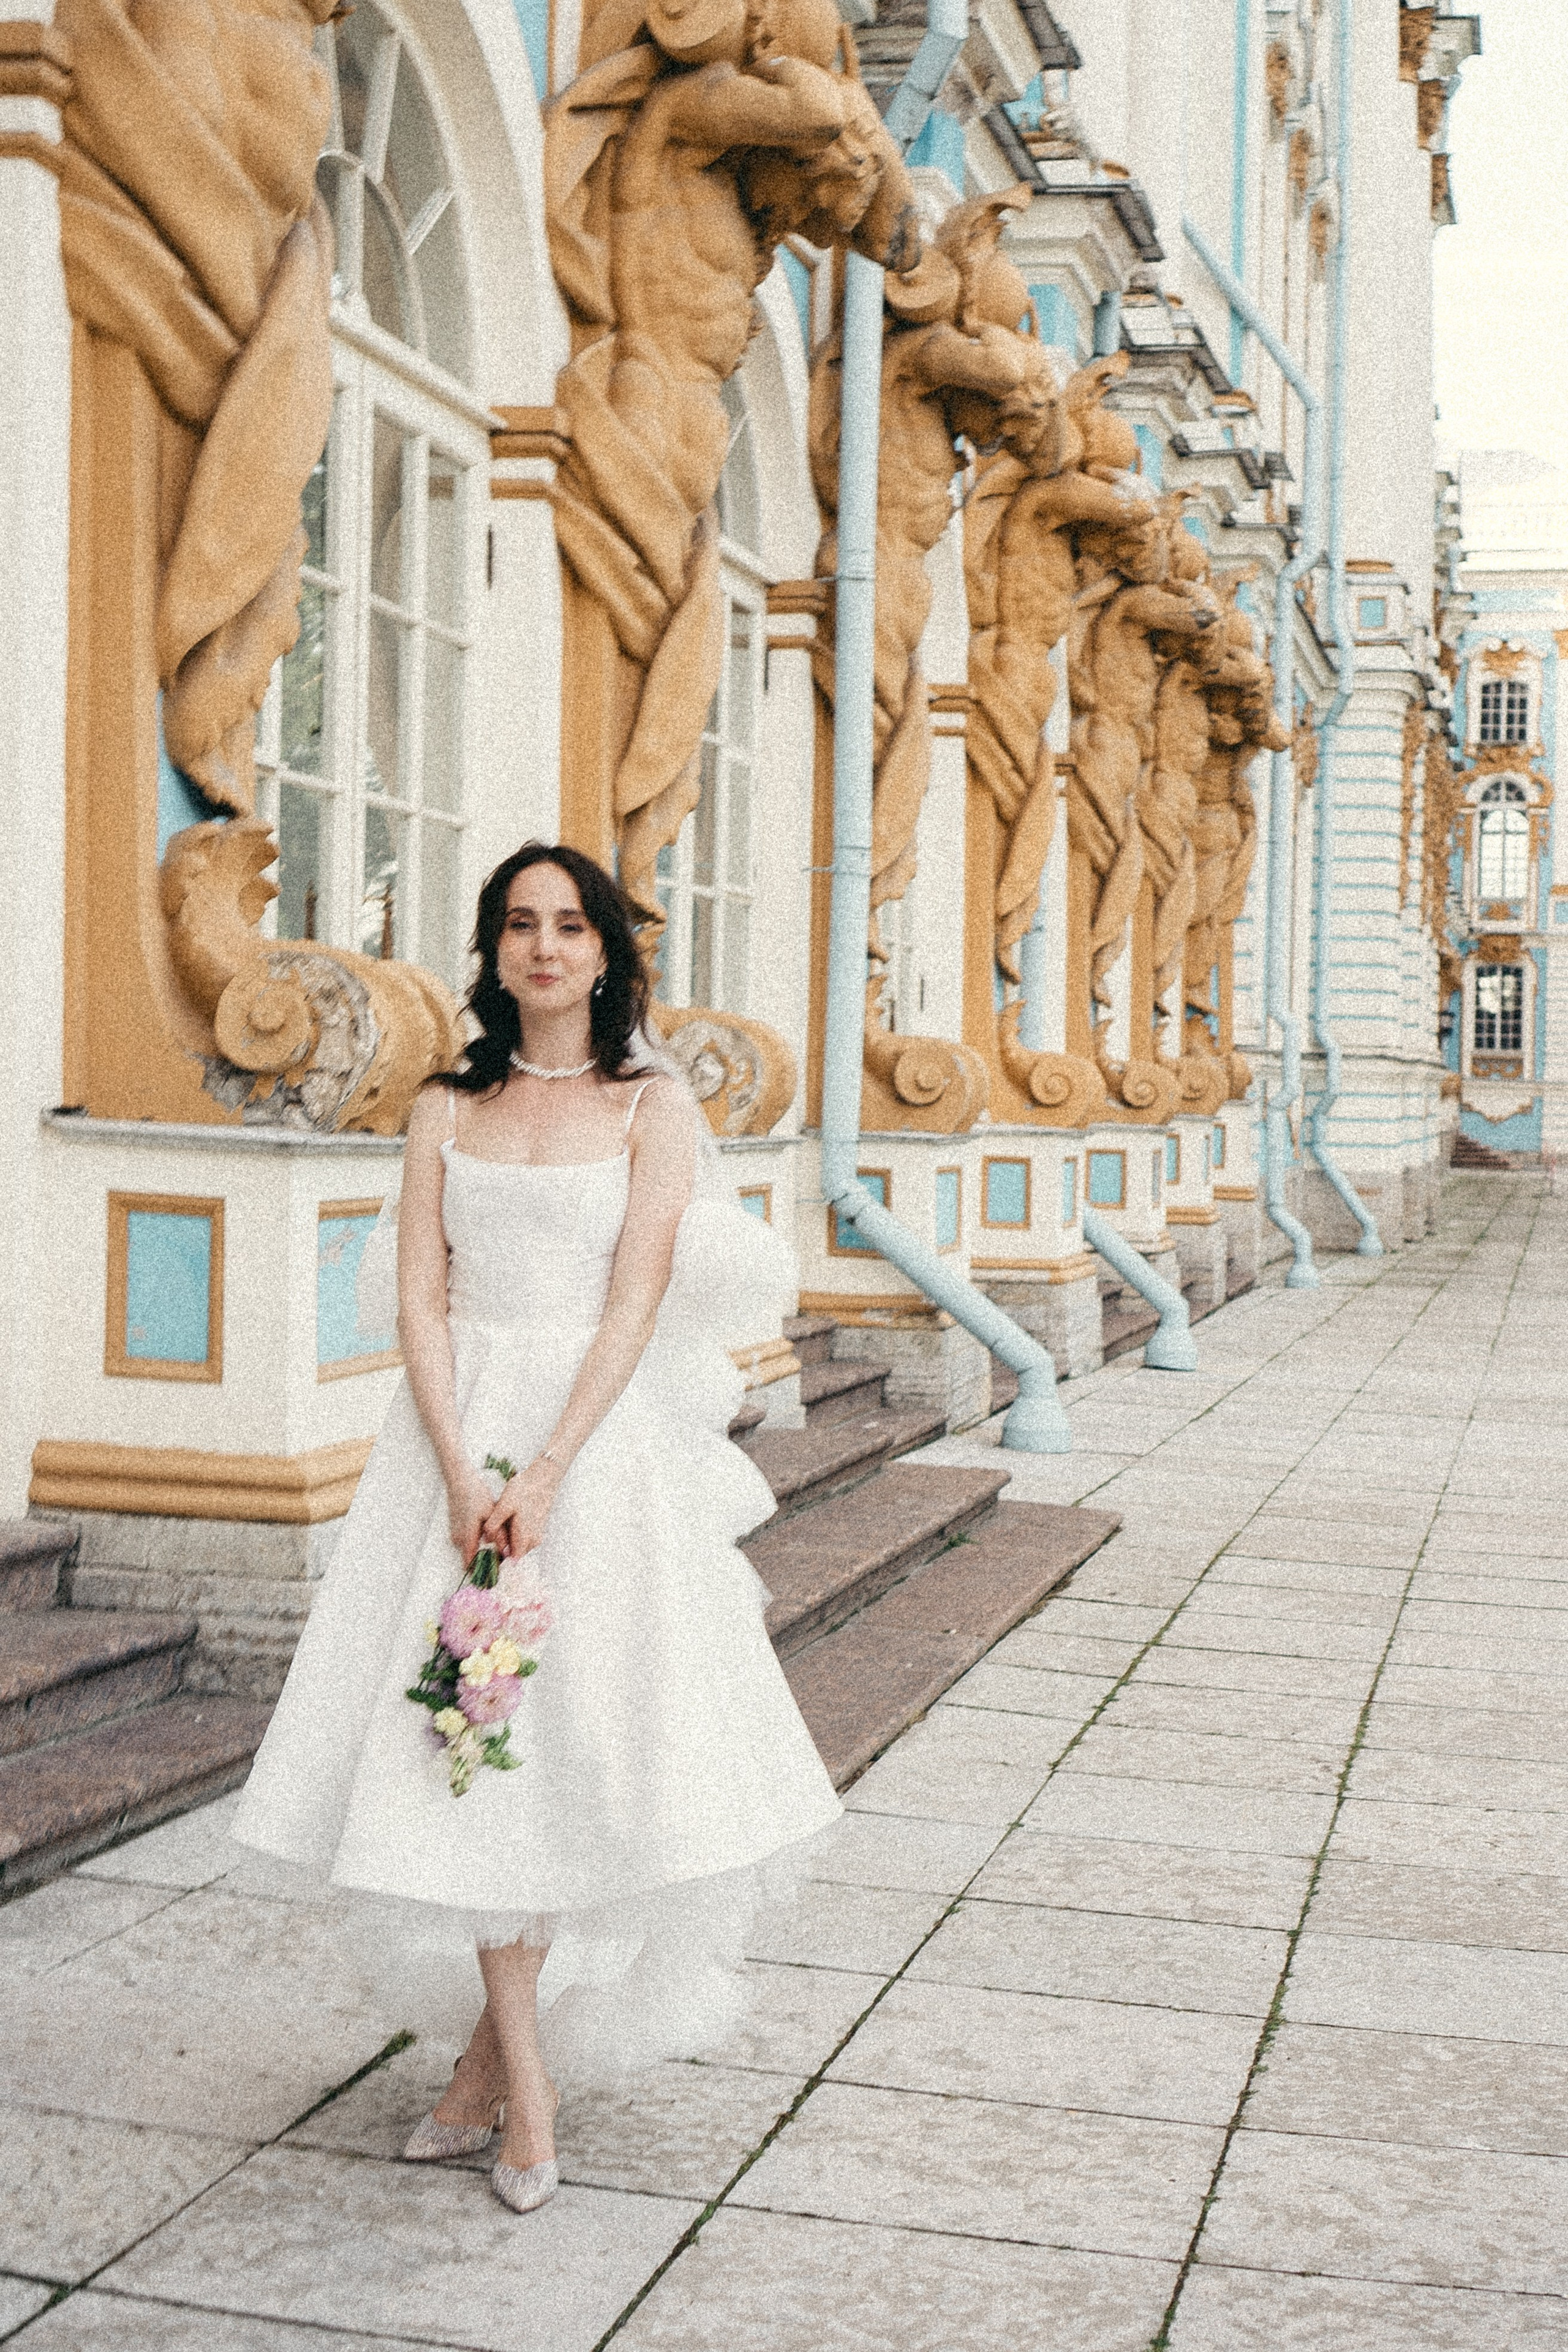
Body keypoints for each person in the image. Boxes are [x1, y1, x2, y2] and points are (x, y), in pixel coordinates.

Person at [233, 842, 842, 2214]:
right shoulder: (447, 1104)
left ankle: (491, 2076)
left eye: (569, 927)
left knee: (557, 1755)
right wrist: (460, 1470)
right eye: (519, 926)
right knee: (468, 1748)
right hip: (451, 1452)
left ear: (604, 952)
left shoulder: (651, 1111)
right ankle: (518, 2081)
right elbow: (419, 1303)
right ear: (494, 951)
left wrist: (549, 1467)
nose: (544, 948)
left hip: (596, 1456)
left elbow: (631, 1305)